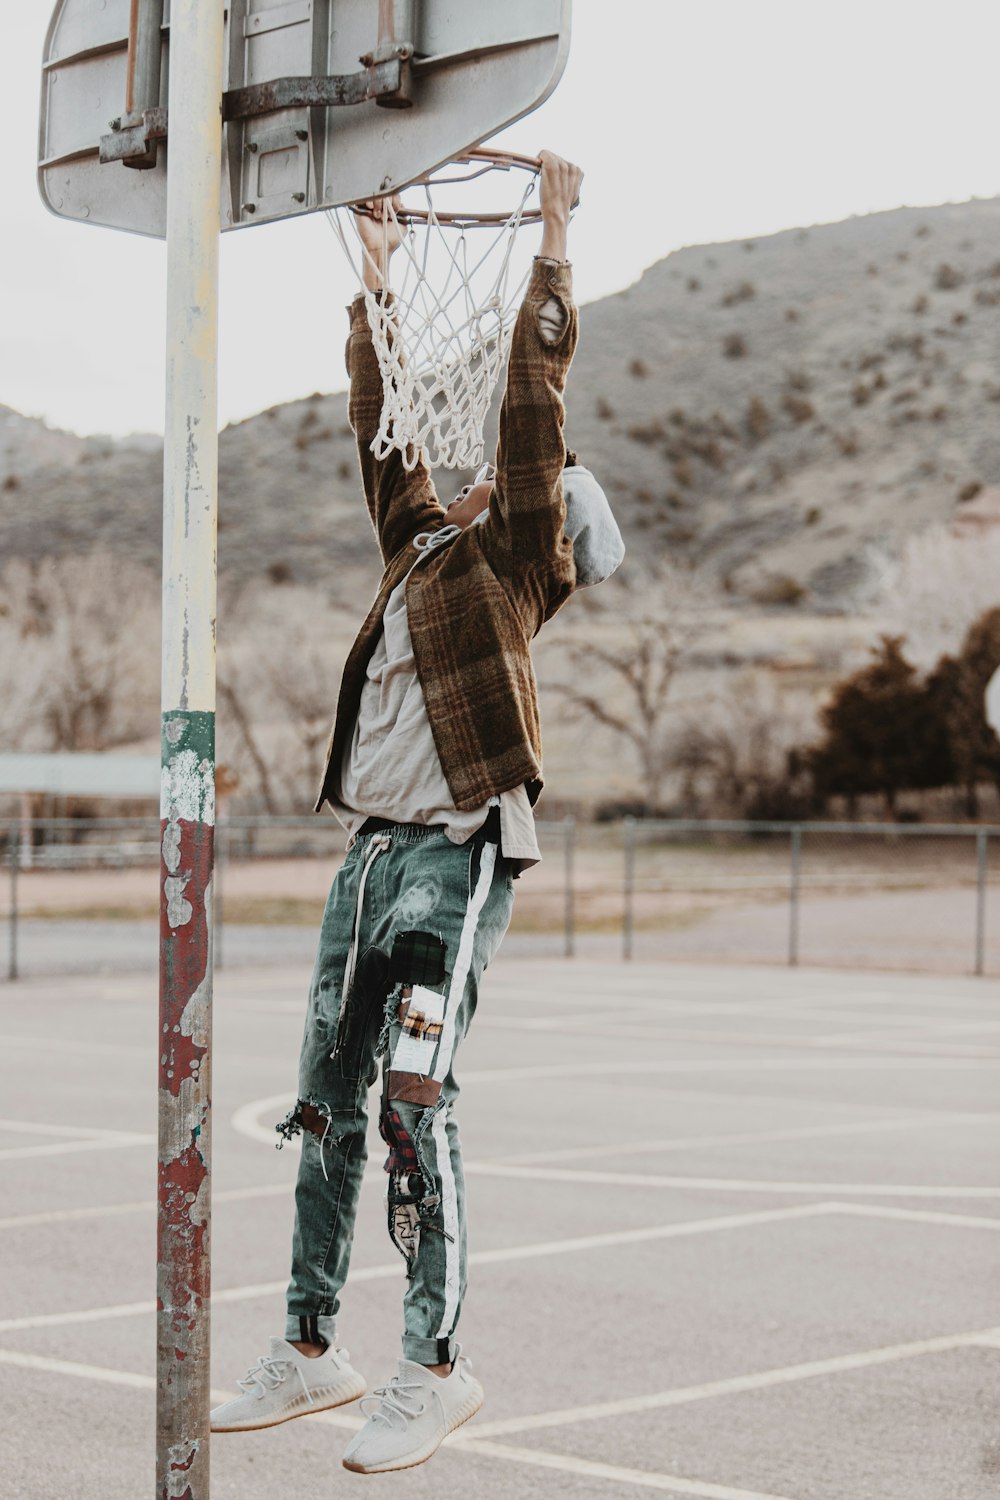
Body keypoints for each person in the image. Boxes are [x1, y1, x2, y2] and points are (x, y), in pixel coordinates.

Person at [210, 150, 623, 1474]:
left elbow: (527, 407)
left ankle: (433, 1368)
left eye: (524, 483)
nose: (484, 477)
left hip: (456, 858)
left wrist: (552, 243)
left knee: (413, 1102)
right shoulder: (417, 551)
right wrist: (378, 277)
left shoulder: (514, 561)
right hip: (368, 861)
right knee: (326, 1101)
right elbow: (375, 415)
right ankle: (310, 1344)